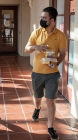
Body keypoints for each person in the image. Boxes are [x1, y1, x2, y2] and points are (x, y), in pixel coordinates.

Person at [24, 7, 67, 140]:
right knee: (38, 97)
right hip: (37, 72)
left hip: (52, 74)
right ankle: (37, 109)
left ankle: (50, 127)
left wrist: (55, 63)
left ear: (52, 20)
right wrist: (34, 47)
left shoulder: (60, 35)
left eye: (44, 18)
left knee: (50, 101)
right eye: (41, 17)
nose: (42, 20)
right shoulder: (36, 32)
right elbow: (26, 49)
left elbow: (63, 54)